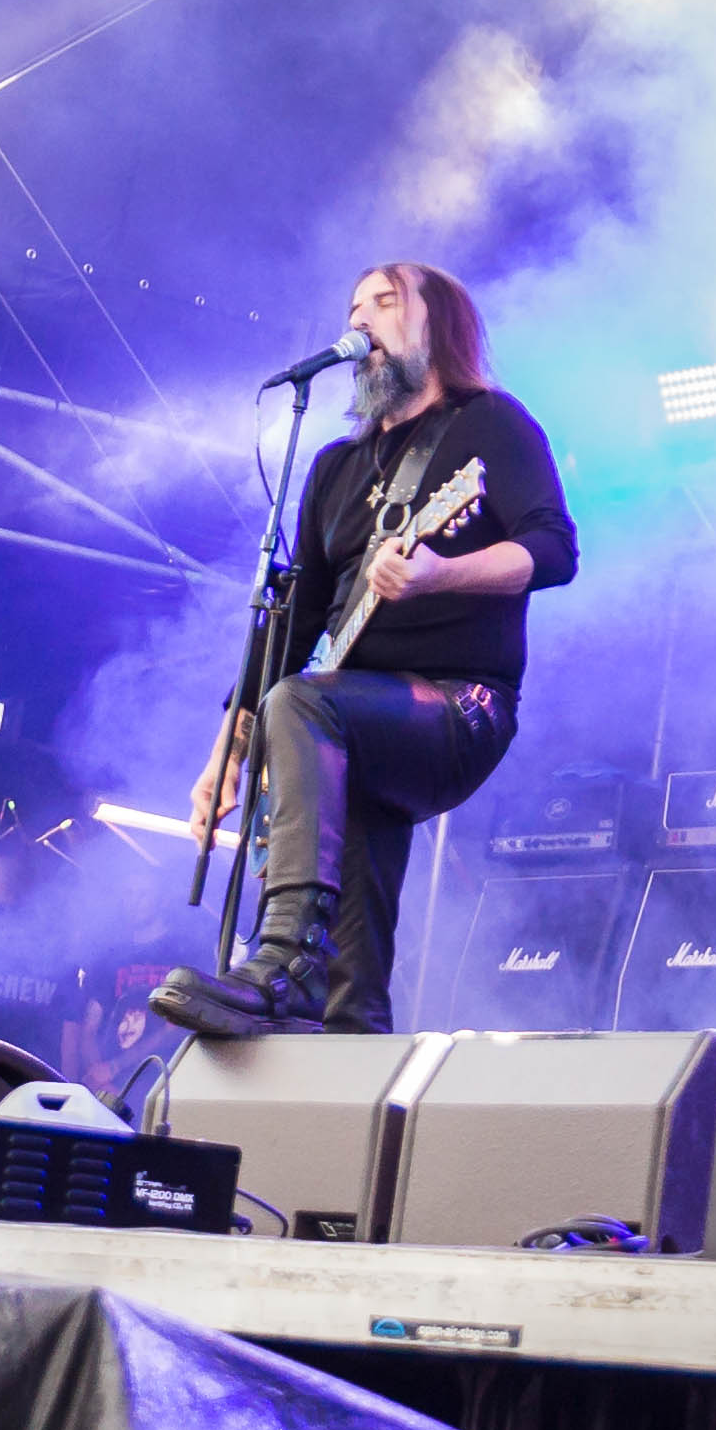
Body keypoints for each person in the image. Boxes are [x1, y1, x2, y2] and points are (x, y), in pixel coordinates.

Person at [165, 261, 572, 1037]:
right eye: (354, 306)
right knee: (352, 986)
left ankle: (287, 957)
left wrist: (440, 573)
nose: (361, 319)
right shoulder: (335, 467)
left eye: (385, 302)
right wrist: (227, 756)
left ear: (438, 327)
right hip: (348, 717)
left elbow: (554, 550)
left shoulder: (490, 423)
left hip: (460, 707)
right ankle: (335, 1020)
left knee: (306, 705)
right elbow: (292, 627)